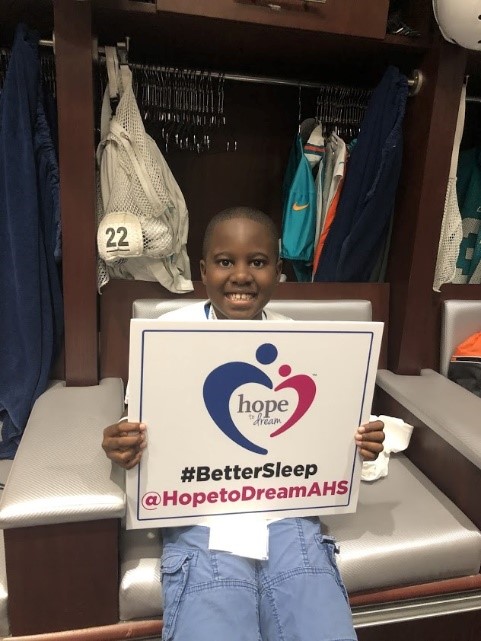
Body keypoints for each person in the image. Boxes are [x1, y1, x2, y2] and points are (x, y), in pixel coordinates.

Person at [103, 206, 385, 641]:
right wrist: (124, 442)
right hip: (198, 510)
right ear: (203, 270)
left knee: (313, 607)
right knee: (217, 606)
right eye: (224, 262)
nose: (241, 275)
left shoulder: (303, 340)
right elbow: (141, 421)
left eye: (257, 262)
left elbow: (325, 432)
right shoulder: (168, 332)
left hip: (286, 507)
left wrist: (358, 443)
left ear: (278, 271)